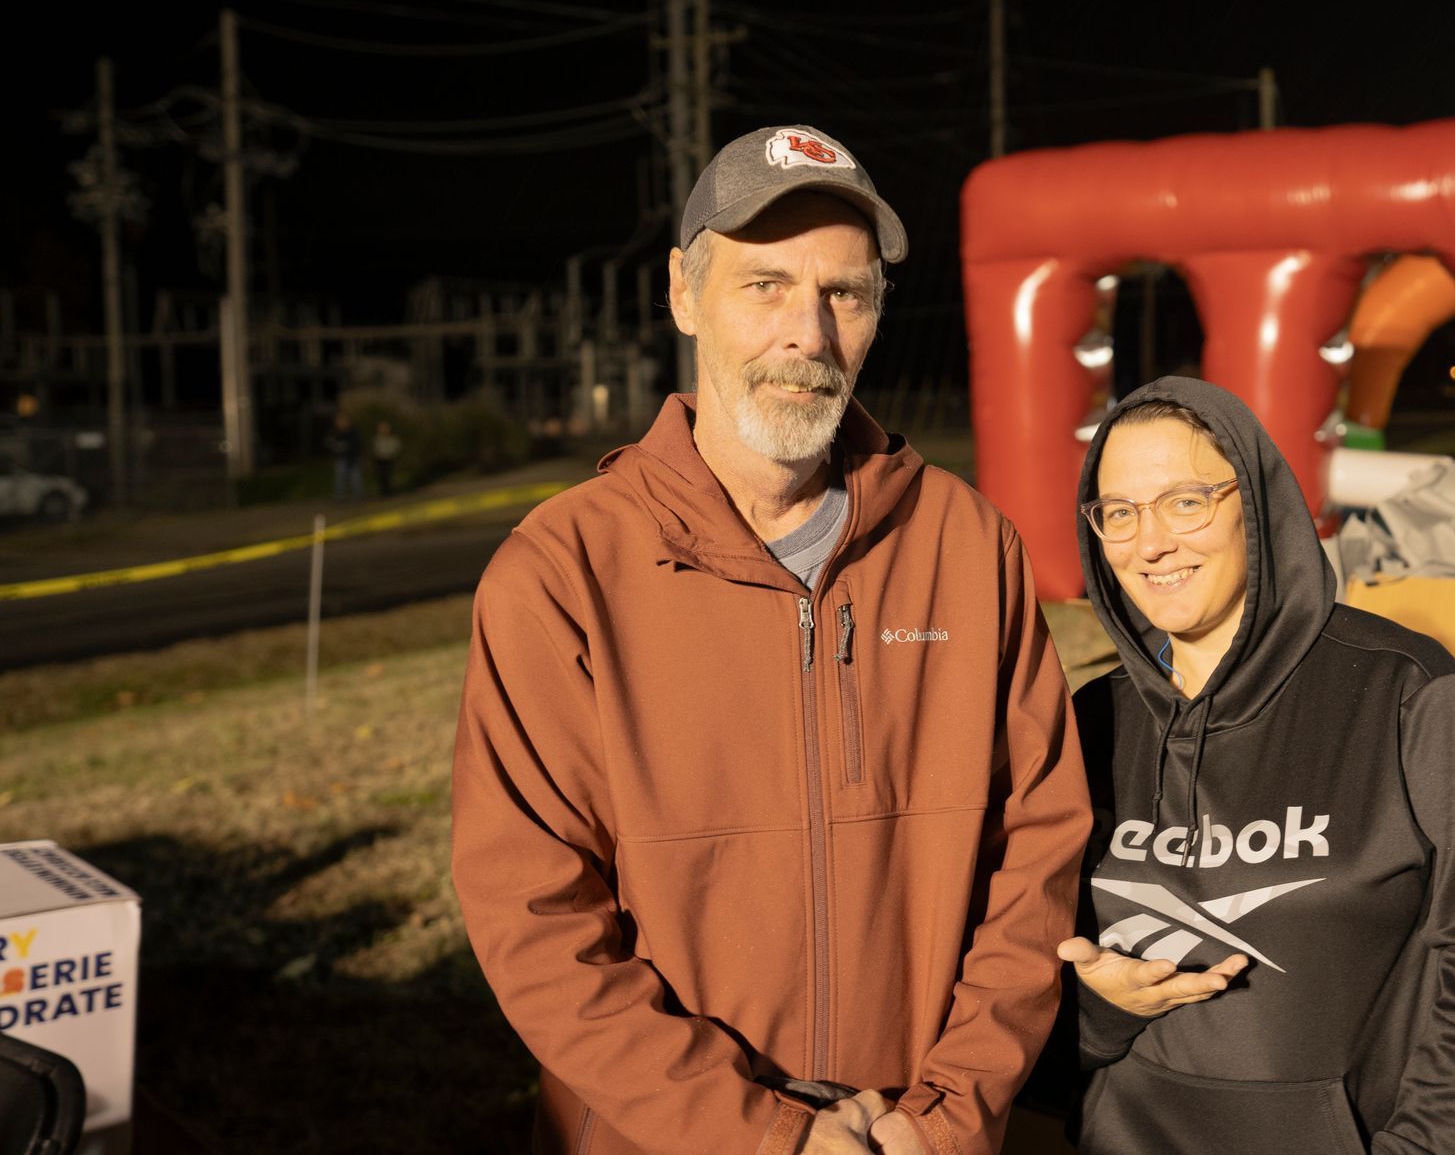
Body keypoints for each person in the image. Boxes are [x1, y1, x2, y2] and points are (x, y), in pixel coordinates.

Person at [452, 125, 1091, 1155]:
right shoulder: (561, 572)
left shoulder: (969, 548)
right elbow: (535, 920)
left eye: (846, 293)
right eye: (765, 286)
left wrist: (953, 1112)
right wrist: (758, 1135)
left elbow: (1038, 858)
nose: (809, 332)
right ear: (682, 292)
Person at [1056, 377, 1455, 1155]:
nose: (1149, 542)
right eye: (1118, 513)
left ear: (1256, 506)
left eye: (1185, 502)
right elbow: (1020, 982)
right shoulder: (1088, 721)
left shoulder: (1410, 695)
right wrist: (1099, 1011)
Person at [325, 410, 362, 501]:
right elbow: (331, 444)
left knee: (355, 478)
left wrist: (351, 450)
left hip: (353, 459)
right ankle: (339, 496)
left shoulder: (352, 433)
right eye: (340, 421)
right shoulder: (335, 433)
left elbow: (357, 445)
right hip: (341, 460)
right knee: (340, 479)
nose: (342, 423)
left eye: (344, 421)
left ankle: (358, 496)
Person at [370, 420, 402, 496]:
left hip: (389, 459)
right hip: (380, 460)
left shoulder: (393, 438)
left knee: (389, 476)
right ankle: (383, 493)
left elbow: (396, 448)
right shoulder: (377, 439)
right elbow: (375, 449)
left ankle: (390, 491)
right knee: (381, 476)